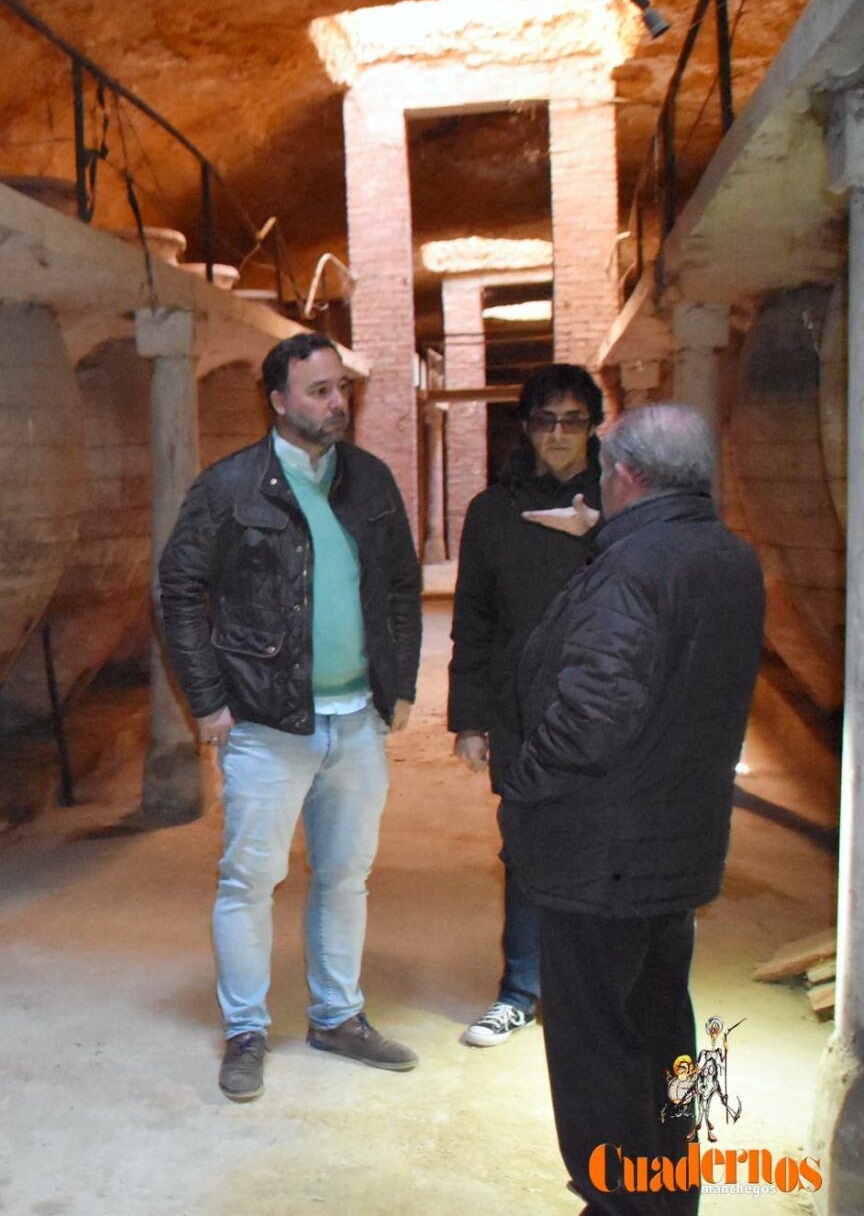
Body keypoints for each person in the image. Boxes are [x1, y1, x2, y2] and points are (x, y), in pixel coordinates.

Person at [500, 404, 763, 1215]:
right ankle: (664, 1194)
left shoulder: (633, 572)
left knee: (595, 1047)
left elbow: (590, 715)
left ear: (629, 477)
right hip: (673, 850)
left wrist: (523, 783)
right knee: (657, 1032)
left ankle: (617, 1201)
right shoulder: (728, 557)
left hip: (600, 858)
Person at [156, 332, 423, 1104]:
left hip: (356, 720)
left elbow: (402, 586)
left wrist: (397, 682)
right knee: (250, 879)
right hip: (269, 725)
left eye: (340, 388)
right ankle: (246, 1030)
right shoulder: (230, 486)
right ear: (278, 401)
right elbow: (178, 590)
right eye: (318, 391)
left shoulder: (369, 481)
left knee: (346, 876)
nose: (336, 403)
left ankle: (338, 1016)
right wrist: (208, 700)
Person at [448, 364, 606, 1048]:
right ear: (527, 428)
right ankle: (521, 991)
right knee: (528, 849)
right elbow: (473, 618)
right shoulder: (493, 511)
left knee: (606, 845)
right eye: (546, 421)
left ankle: (594, 993)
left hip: (606, 707)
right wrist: (469, 718)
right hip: (524, 708)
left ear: (594, 427)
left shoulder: (624, 503)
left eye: (573, 420)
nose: (559, 436)